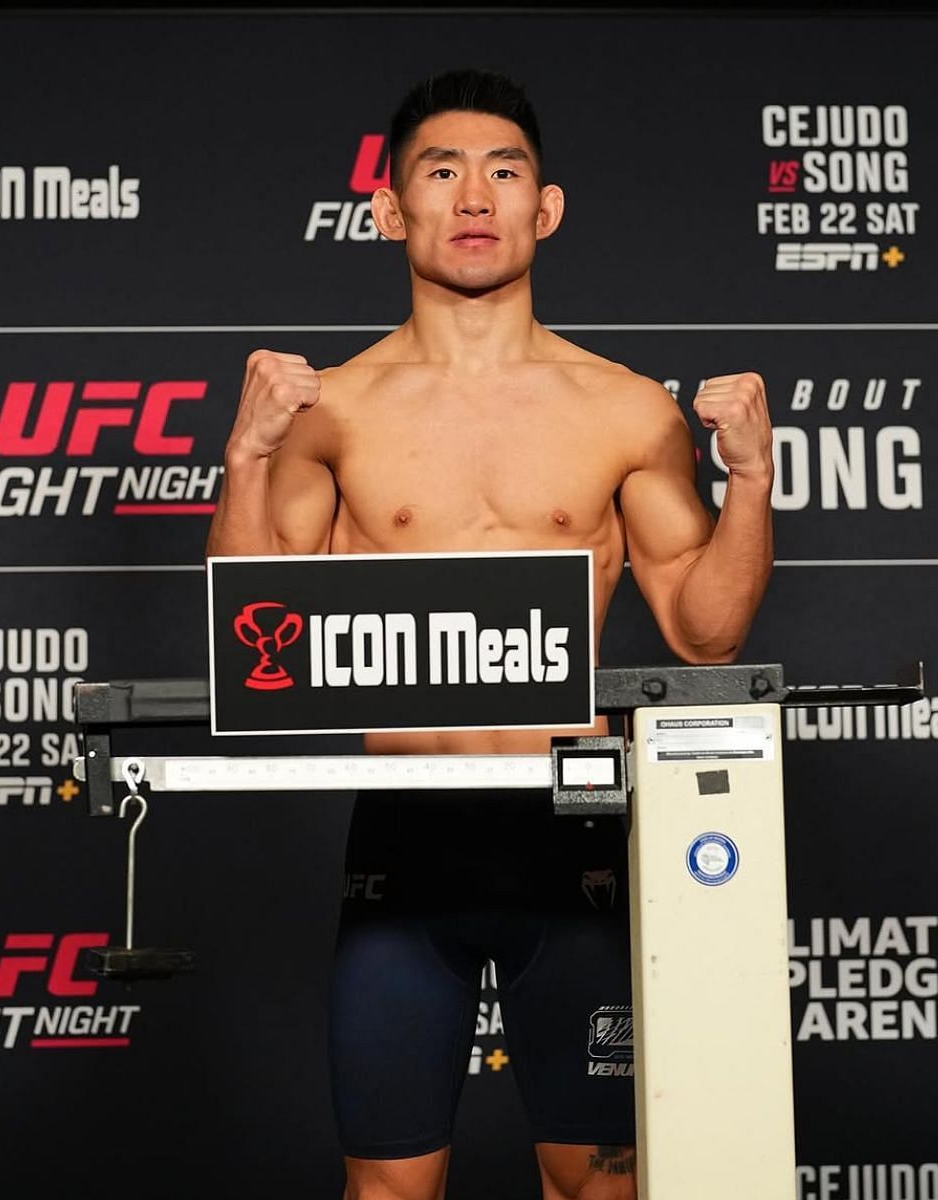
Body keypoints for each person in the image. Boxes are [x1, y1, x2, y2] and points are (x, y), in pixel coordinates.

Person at [206, 70, 773, 1200]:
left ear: (544, 208)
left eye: (504, 171)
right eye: (442, 171)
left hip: (572, 846)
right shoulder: (335, 411)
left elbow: (705, 638)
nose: (475, 196)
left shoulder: (624, 410)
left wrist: (752, 479)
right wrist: (247, 460)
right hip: (405, 850)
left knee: (599, 1185)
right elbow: (256, 648)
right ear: (388, 210)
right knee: (389, 1191)